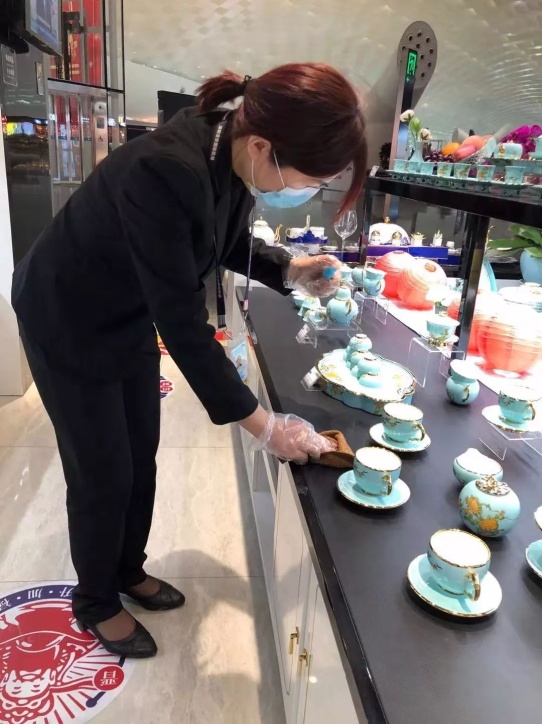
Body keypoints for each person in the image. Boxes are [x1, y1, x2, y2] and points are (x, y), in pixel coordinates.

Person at [11, 63, 368, 658]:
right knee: (103, 470)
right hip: (67, 314)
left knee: (140, 453)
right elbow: (182, 323)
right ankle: (95, 600)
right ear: (265, 146)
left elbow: (219, 237)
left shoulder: (231, 152)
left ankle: (127, 569)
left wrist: (290, 268)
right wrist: (264, 425)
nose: (307, 191)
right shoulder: (165, 169)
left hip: (126, 310)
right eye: (312, 179)